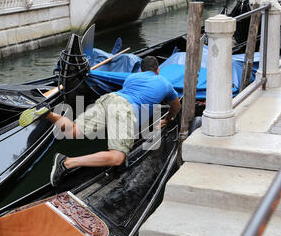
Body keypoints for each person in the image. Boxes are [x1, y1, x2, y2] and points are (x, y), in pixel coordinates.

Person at [40, 56, 180, 186]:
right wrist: (168, 119)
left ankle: (47, 113)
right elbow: (176, 105)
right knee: (117, 157)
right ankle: (66, 163)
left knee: (74, 130)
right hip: (124, 108)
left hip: (109, 99)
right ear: (158, 70)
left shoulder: (132, 78)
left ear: (141, 70)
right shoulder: (165, 83)